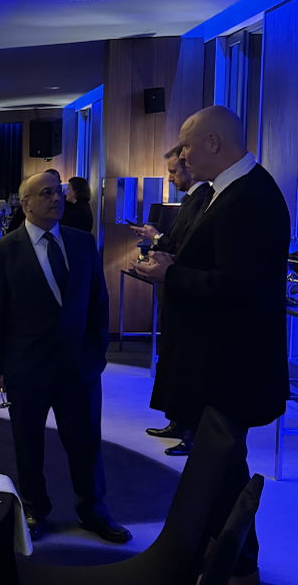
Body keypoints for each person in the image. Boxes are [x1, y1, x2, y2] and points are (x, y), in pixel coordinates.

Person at [134, 106, 289, 583]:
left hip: (231, 368)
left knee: (224, 468)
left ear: (214, 143)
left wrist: (172, 274)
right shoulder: (221, 192)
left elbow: (238, 285)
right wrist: (172, 263)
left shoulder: (251, 197)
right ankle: (226, 555)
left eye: (185, 145)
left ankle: (237, 563)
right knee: (219, 469)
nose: (181, 155)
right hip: (213, 362)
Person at [0, 171, 131, 544]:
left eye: (59, 191)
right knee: (29, 446)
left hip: (79, 367)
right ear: (26, 204)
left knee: (86, 442)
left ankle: (94, 511)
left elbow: (97, 302)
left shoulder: (82, 242)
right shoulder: (1, 251)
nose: (56, 198)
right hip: (26, 367)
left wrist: (96, 354)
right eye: (46, 193)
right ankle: (35, 509)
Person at [132, 146, 210, 444]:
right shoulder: (191, 199)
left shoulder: (202, 199)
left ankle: (187, 428)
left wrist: (157, 238)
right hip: (177, 291)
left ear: (190, 166)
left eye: (174, 172)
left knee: (185, 362)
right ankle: (178, 422)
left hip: (187, 291)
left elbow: (187, 248)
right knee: (174, 359)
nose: (171, 178)